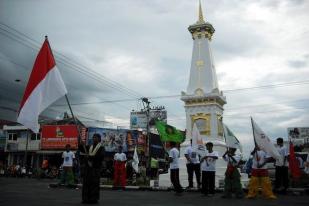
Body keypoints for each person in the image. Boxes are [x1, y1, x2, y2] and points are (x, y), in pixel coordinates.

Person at [79, 133, 105, 204]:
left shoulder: (101, 148)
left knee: (94, 184)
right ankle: (85, 198)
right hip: (88, 169)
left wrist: (90, 157)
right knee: (86, 184)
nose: (94, 139)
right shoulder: (89, 146)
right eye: (93, 137)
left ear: (99, 139)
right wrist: (81, 144)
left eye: (96, 137)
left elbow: (100, 157)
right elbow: (82, 150)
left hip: (95, 168)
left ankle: (93, 199)